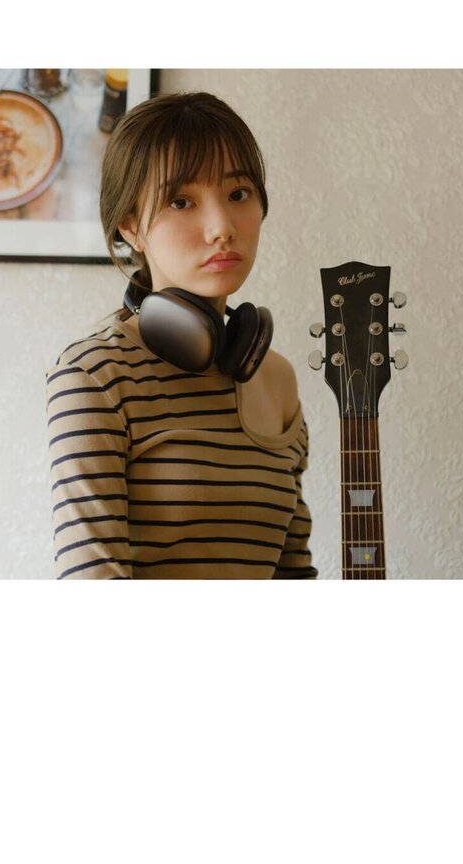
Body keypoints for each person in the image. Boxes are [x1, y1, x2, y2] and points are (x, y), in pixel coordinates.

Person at [45, 91, 318, 579]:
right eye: (181, 201)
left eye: (238, 194)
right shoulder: (93, 377)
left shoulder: (276, 379)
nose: (221, 228)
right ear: (130, 226)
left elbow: (293, 574)